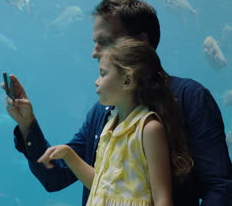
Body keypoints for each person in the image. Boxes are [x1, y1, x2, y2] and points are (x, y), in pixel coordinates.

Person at [4, 0, 232, 205]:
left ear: (142, 42)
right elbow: (56, 177)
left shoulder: (190, 98)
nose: (94, 52)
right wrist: (27, 125)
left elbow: (219, 186)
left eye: (104, 42)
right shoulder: (103, 112)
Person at [37, 38, 192, 205]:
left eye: (103, 74)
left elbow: (162, 199)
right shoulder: (109, 125)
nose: (96, 81)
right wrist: (69, 154)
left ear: (127, 81)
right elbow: (100, 186)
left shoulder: (149, 129)